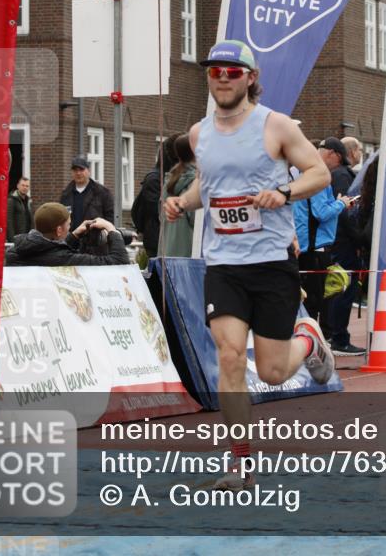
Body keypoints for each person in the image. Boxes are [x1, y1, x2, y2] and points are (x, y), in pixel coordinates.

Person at [164, 39, 332, 488]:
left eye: (232, 71)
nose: (222, 77)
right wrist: (184, 200)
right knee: (230, 356)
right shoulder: (199, 134)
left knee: (275, 371)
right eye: (214, 71)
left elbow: (320, 173)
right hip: (223, 263)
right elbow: (210, 184)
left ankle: (309, 341)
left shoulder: (275, 126)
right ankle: (240, 460)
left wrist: (284, 193)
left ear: (250, 78)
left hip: (272, 261)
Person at [293, 155, 351, 334]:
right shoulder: (317, 181)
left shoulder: (299, 179)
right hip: (315, 246)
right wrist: (341, 204)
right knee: (315, 298)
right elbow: (321, 213)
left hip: (304, 245)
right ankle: (311, 341)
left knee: (310, 297)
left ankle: (309, 338)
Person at [328, 156, 380, 357]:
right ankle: (339, 338)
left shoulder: (363, 191)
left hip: (345, 245)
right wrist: (359, 240)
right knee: (342, 291)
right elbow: (343, 216)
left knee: (341, 291)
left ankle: (338, 336)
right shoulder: (343, 179)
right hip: (347, 247)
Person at [5, 203, 129, 266]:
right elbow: (119, 262)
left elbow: (48, 250)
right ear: (59, 230)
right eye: (69, 224)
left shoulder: (14, 251)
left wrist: (74, 236)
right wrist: (111, 229)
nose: (70, 228)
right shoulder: (62, 259)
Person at [132, 136, 179, 258]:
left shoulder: (166, 176)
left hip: (164, 238)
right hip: (157, 240)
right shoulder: (154, 179)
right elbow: (157, 210)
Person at [160, 134, 197, 257]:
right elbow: (196, 221)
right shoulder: (196, 182)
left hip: (167, 250)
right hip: (188, 251)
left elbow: (160, 215)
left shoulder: (169, 180)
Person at [60, 156, 114, 229]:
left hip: (94, 238)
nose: (78, 173)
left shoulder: (102, 193)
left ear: (89, 171)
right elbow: (62, 219)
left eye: (81, 170)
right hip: (72, 238)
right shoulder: (66, 194)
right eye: (75, 170)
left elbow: (110, 218)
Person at [6, 177, 33, 242]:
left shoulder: (29, 201)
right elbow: (9, 221)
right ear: (18, 186)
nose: (25, 188)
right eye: (23, 185)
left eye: (27, 186)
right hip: (17, 239)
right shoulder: (11, 200)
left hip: (27, 238)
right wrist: (12, 240)